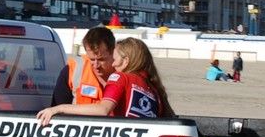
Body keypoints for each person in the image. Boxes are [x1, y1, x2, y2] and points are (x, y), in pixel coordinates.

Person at [38, 38, 175, 124]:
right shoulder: (155, 92)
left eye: (115, 60)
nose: (113, 65)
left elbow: (103, 109)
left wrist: (59, 108)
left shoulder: (121, 77)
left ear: (126, 61)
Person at [51, 26, 116, 106]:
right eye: (91, 59)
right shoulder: (72, 70)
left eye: (101, 60)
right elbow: (58, 109)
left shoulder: (126, 72)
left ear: (113, 52)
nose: (96, 65)